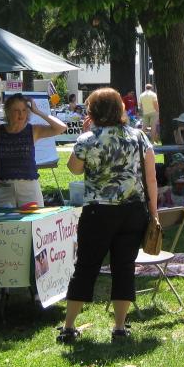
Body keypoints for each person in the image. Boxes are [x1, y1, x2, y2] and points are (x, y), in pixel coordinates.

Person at [61, 88, 157, 343]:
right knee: (124, 267)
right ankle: (119, 327)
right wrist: (154, 213)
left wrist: (83, 135)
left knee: (86, 266)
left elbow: (73, 169)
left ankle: (68, 327)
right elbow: (151, 178)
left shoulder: (87, 139)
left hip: (98, 211)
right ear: (120, 108)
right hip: (133, 210)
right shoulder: (139, 137)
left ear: (93, 111)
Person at [0, 94, 67, 208]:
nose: (21, 114)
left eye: (24, 110)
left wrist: (38, 111)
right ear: (8, 112)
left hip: (30, 188)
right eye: (16, 110)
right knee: (1, 219)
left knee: (34, 218)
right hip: (3, 188)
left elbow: (61, 127)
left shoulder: (33, 130)